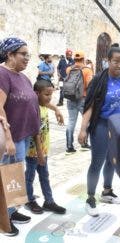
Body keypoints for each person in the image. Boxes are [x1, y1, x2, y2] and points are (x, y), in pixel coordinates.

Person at [0, 37, 62, 237]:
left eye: (28, 54)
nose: (27, 58)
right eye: (23, 54)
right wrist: (8, 137)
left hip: (24, 137)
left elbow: (35, 103)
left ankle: (11, 211)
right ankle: (4, 220)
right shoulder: (2, 74)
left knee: (15, 176)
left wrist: (54, 109)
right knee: (7, 177)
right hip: (12, 137)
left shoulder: (23, 77)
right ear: (10, 54)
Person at [78, 45, 120, 216]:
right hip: (103, 126)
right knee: (97, 162)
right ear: (108, 61)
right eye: (116, 62)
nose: (119, 65)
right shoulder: (99, 80)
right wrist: (83, 129)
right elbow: (90, 106)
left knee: (113, 161)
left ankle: (107, 192)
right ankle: (90, 198)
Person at [25, 80, 66, 215]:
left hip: (43, 150)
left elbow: (48, 104)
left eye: (51, 94)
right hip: (33, 151)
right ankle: (29, 200)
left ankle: (49, 201)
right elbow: (35, 133)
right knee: (30, 176)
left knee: (44, 176)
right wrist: (39, 154)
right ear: (36, 93)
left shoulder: (42, 104)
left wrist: (57, 110)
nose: (49, 98)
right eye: (47, 94)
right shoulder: (33, 108)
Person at [65, 51, 93, 154]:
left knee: (71, 121)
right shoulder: (87, 70)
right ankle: (84, 143)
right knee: (87, 122)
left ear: (74, 59)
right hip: (83, 99)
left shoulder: (69, 69)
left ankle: (69, 146)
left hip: (70, 98)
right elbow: (90, 85)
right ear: (83, 58)